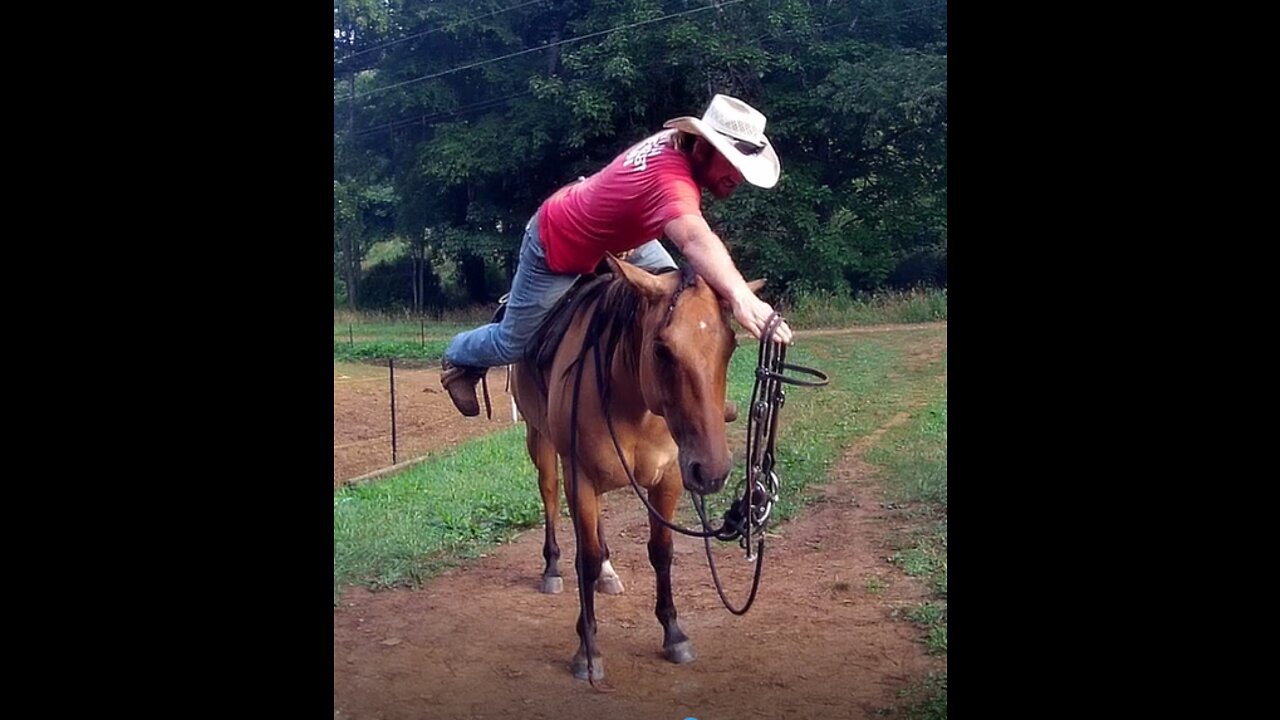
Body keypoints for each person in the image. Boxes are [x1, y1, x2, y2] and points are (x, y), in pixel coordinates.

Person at [441, 93, 794, 417]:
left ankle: (695, 393)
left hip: (620, 238)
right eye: (732, 164)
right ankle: (458, 357)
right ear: (702, 148)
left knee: (681, 301)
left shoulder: (678, 148)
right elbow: (694, 238)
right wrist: (741, 297)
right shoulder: (671, 179)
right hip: (559, 241)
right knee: (511, 343)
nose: (738, 177)